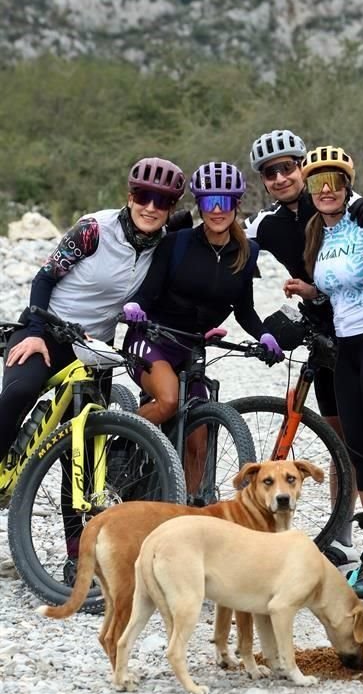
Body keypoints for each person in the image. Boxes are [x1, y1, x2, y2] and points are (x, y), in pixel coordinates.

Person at [0, 155, 186, 468]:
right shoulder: (94, 229)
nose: (151, 207)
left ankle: (79, 519)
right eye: (143, 197)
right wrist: (33, 333)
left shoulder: (164, 246)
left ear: (171, 209)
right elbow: (45, 277)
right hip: (48, 332)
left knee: (85, 449)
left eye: (163, 201)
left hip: (94, 349)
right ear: (130, 198)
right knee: (19, 393)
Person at [245, 129, 363, 561]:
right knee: (343, 440)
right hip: (324, 333)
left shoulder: (337, 201)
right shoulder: (267, 223)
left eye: (288, 167)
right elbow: (230, 259)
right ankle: (344, 538)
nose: (281, 178)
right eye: (271, 172)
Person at [122, 160, 283, 430]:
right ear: (199, 205)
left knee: (200, 435)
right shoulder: (176, 243)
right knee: (169, 400)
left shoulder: (248, 252)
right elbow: (147, 294)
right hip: (152, 340)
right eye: (209, 203)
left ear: (236, 204)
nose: (217, 210)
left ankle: (179, 473)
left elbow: (244, 310)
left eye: (224, 202)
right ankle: (118, 447)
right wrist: (134, 306)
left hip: (192, 349)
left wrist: (264, 335)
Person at [283, 145, 363, 510]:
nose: (326, 189)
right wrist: (312, 291)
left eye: (334, 181)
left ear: (348, 185)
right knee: (357, 448)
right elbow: (337, 283)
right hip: (344, 344)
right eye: (318, 181)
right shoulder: (317, 230)